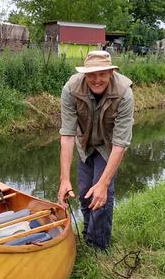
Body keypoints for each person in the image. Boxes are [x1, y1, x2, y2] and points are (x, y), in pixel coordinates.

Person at [57, 50, 134, 250]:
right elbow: (67, 135)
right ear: (84, 74)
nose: (97, 79)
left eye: (102, 74)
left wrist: (103, 183)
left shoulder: (124, 93)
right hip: (85, 144)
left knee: (101, 194)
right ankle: (88, 235)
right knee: (84, 194)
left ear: (111, 72)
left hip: (110, 147)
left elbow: (120, 144)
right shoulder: (71, 89)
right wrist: (64, 180)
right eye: (91, 74)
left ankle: (99, 247)